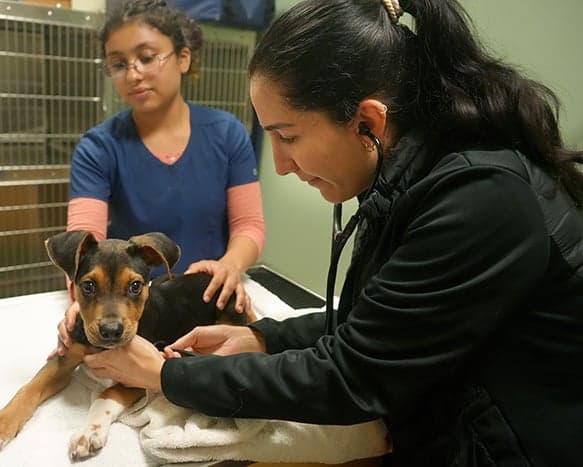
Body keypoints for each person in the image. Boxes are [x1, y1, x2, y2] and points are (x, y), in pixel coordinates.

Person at [79, 0, 583, 466]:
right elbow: (388, 317)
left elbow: (354, 374)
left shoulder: (480, 198)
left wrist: (167, 375)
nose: (278, 165)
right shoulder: (411, 175)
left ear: (368, 121)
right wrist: (264, 336)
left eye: (288, 136)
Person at [50, 0, 265, 357]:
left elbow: (250, 226)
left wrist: (229, 267)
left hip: (205, 299)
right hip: (133, 304)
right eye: (118, 64)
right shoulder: (99, 146)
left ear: (183, 57)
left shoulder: (227, 134)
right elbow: (83, 240)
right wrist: (83, 301)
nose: (132, 74)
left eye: (146, 57)